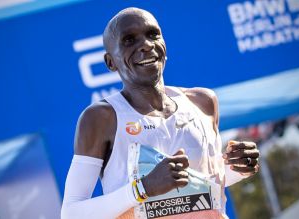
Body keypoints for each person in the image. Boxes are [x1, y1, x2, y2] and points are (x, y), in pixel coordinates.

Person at [61, 7, 260, 219]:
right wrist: (143, 188)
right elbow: (72, 213)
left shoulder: (203, 102)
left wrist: (238, 168)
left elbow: (205, 183)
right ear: (111, 62)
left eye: (152, 34)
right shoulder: (101, 118)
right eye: (129, 40)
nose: (146, 45)